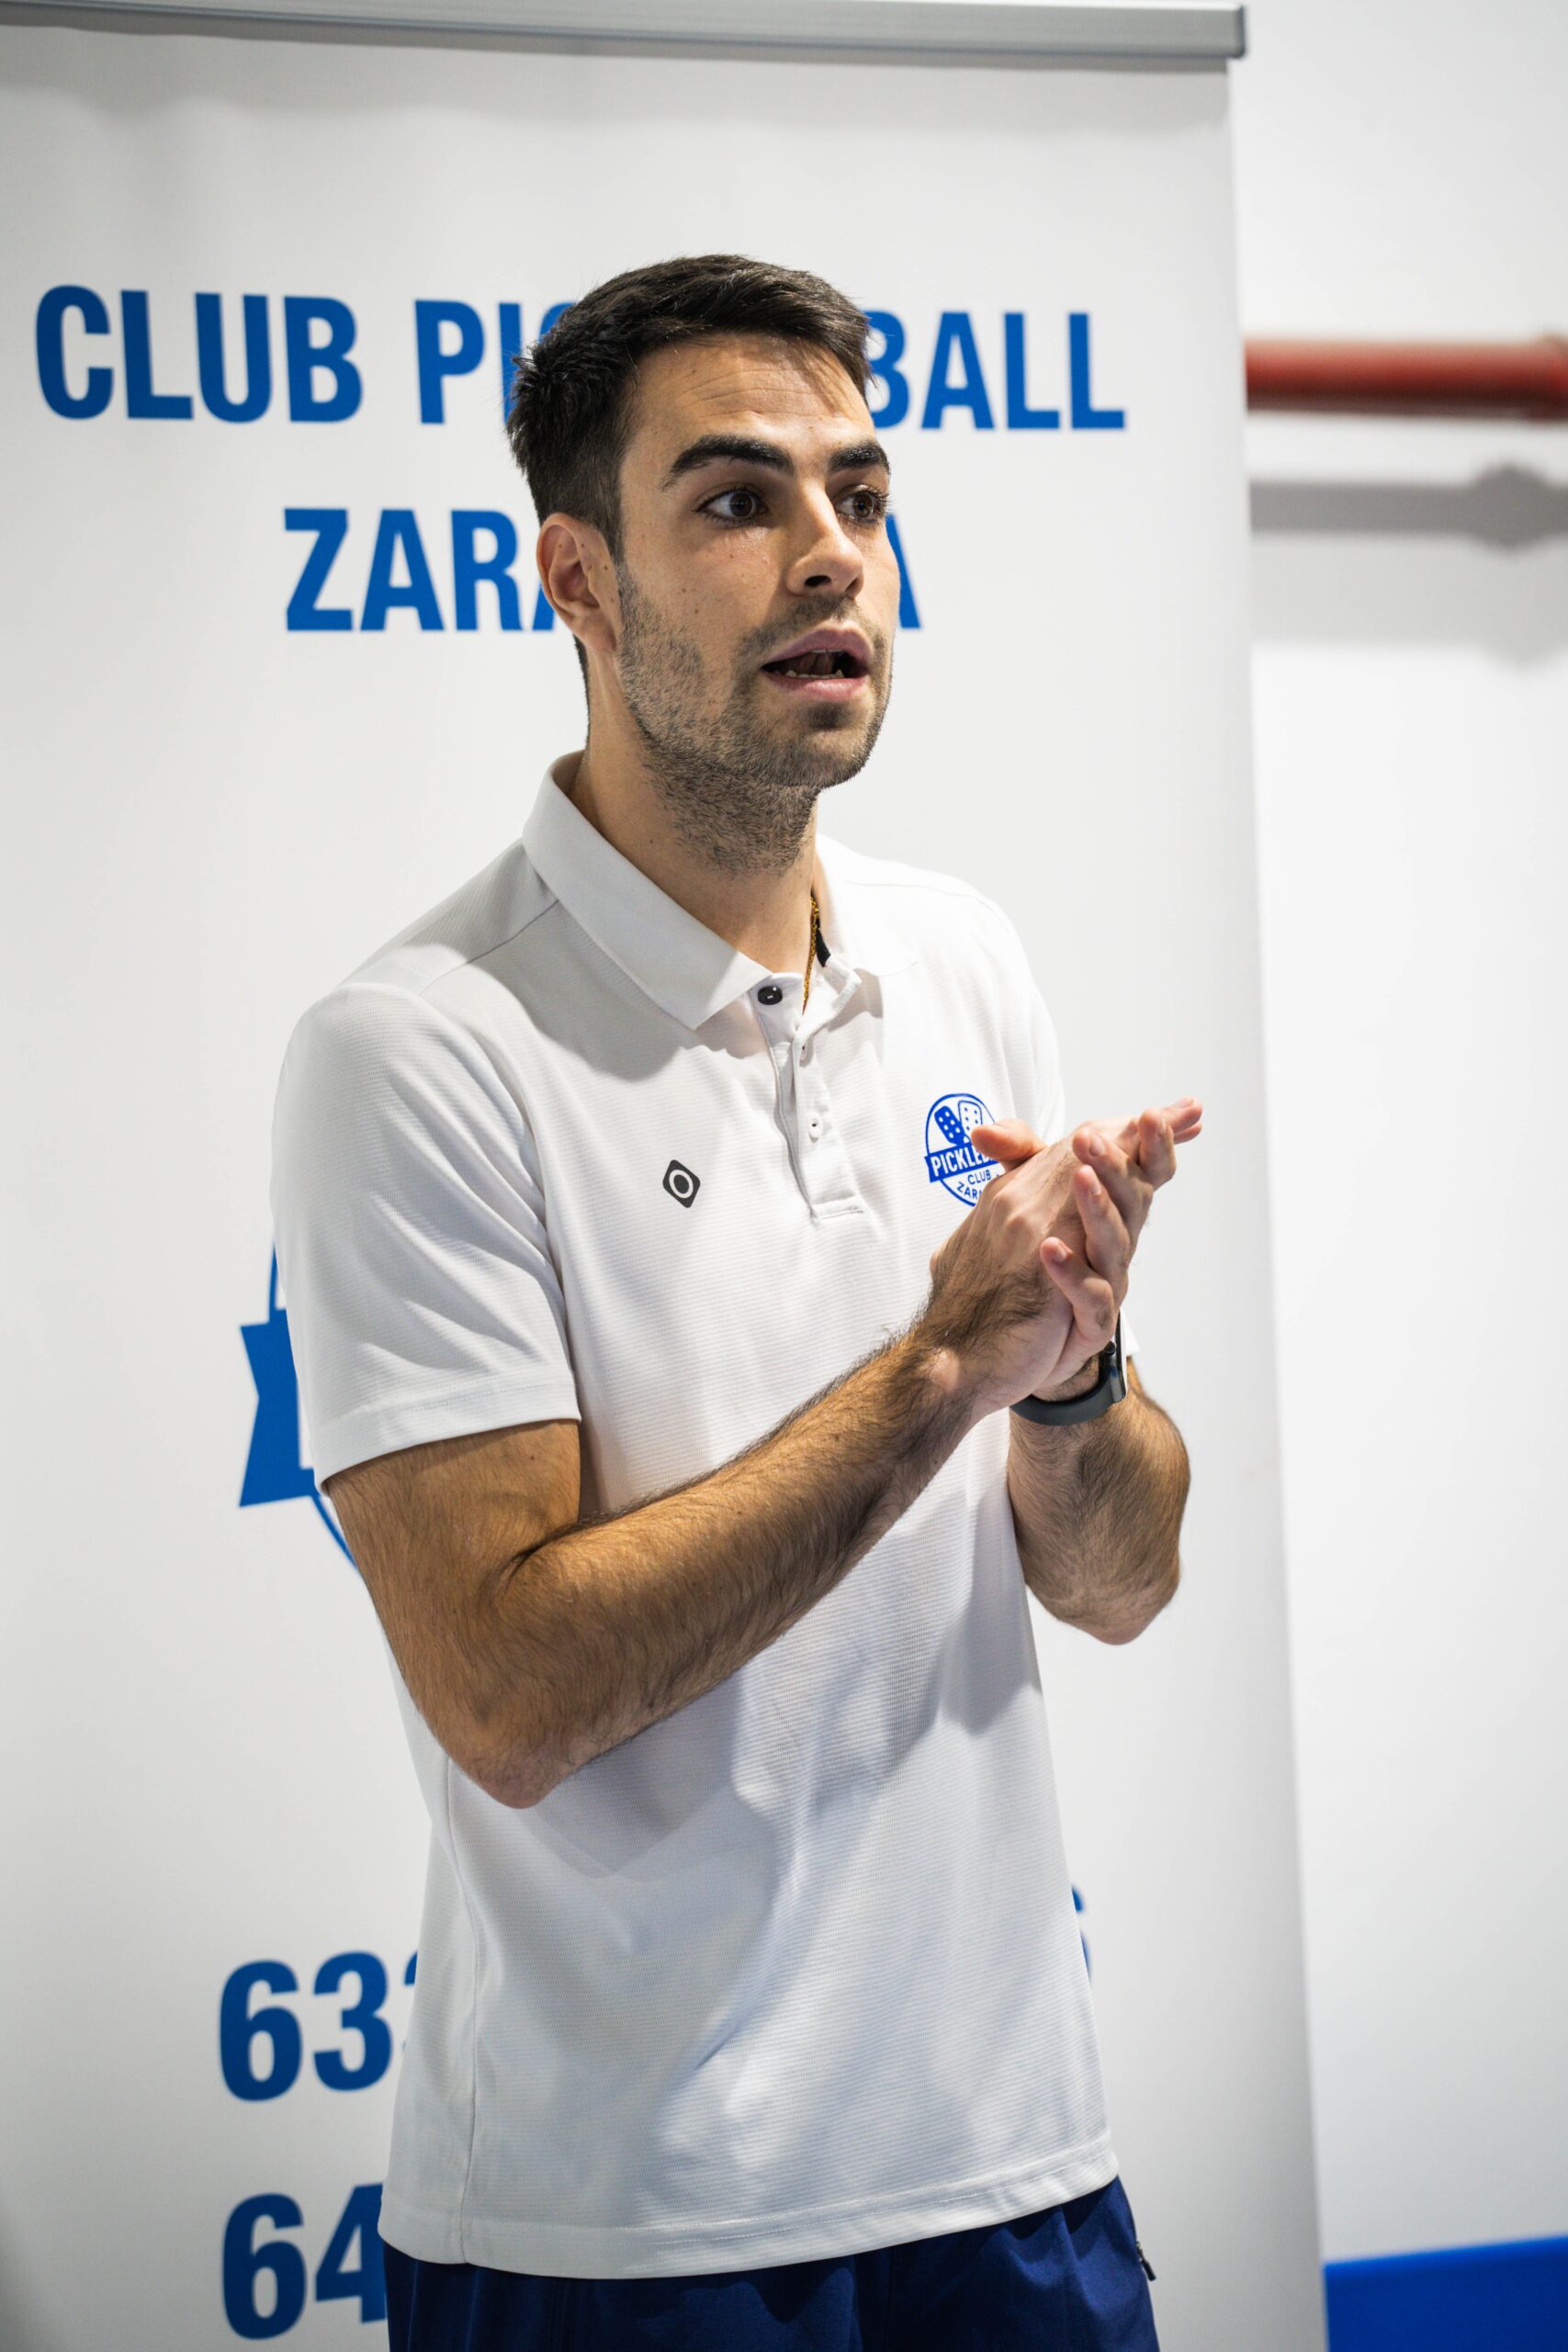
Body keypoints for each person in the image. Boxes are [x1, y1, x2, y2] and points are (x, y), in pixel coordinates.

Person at [269, 253, 1201, 2351]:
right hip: (623, 2235)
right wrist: (935, 1371)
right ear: (575, 582)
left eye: (856, 497)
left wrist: (1067, 1383)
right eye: (734, 501)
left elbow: (1123, 1583)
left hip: (1020, 2178)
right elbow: (507, 1694)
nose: (826, 560)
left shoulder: (960, 958)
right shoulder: (419, 1048)